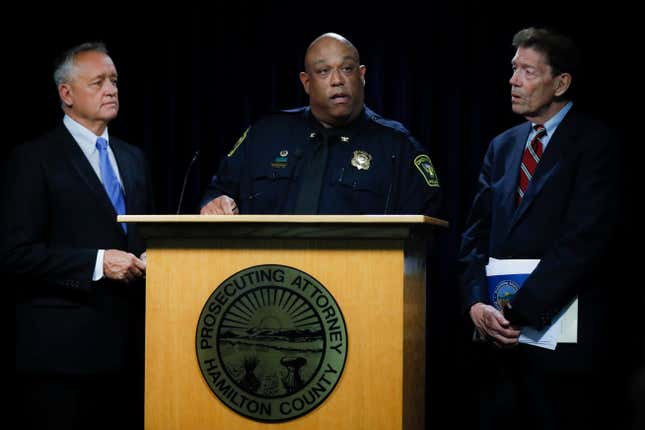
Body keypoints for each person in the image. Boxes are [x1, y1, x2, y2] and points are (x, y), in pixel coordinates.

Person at [459, 27, 628, 429]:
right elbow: (474, 235)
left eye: (528, 72)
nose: (513, 81)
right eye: (514, 69)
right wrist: (475, 305)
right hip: (498, 349)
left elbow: (584, 242)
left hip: (564, 350)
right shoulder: (501, 146)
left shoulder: (596, 143)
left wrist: (517, 312)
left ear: (561, 83)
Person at [2, 42, 154, 429]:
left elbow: (139, 236)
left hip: (133, 352)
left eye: (115, 80)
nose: (112, 89)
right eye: (98, 81)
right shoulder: (33, 159)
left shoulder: (133, 157)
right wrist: (99, 263)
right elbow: (17, 254)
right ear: (66, 94)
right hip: (63, 357)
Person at [200, 32, 441, 216]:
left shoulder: (397, 147)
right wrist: (214, 204)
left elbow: (423, 233)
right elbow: (218, 192)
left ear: (362, 75)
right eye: (324, 71)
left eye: (347, 69)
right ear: (306, 82)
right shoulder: (265, 135)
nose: (337, 80)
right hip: (272, 277)